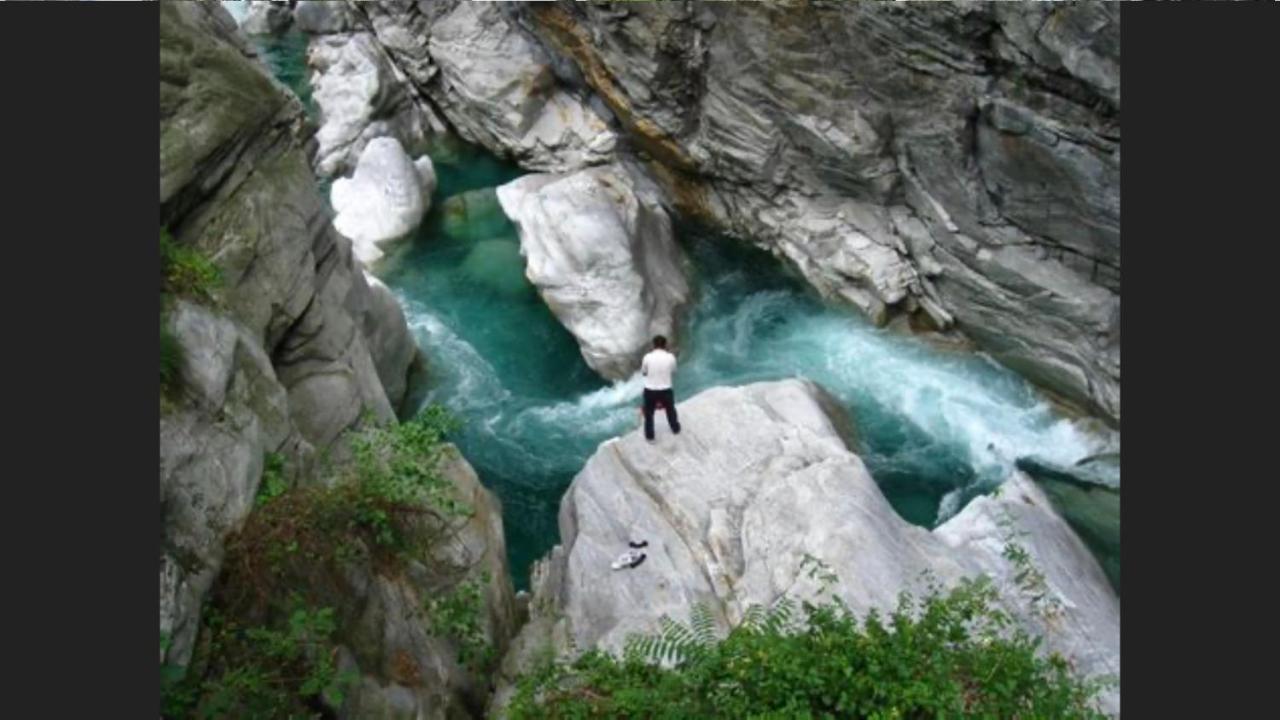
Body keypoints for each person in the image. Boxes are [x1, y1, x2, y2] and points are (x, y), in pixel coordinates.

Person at [640, 335, 681, 443]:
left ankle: (650, 437)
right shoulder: (670, 357)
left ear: (653, 345)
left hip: (650, 389)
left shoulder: (647, 357)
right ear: (665, 345)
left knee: (649, 414)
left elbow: (644, 372)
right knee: (670, 410)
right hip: (666, 389)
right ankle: (675, 429)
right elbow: (674, 371)